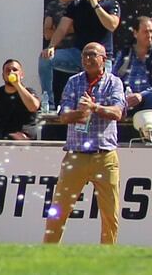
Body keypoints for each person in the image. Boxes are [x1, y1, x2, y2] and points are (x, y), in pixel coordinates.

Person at [43, 41, 125, 245]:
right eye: (84, 55)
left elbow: (117, 112)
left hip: (104, 156)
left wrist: (94, 107)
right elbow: (63, 116)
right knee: (59, 209)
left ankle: (107, 256)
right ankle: (48, 252)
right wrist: (80, 113)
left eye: (92, 55)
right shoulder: (73, 82)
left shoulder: (113, 82)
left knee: (110, 213)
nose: (87, 59)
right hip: (76, 154)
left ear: (103, 59)